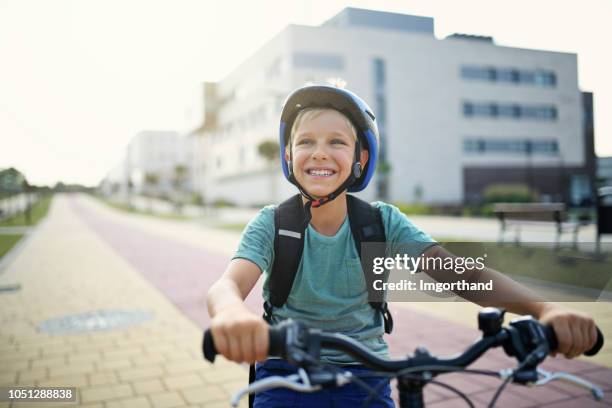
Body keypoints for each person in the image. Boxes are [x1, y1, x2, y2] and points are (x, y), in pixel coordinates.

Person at [207, 85, 598, 407]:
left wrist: (544, 308)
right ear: (290, 157)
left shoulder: (382, 222)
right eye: (306, 141)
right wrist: (230, 314)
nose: (320, 152)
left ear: (361, 157)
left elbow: (467, 276)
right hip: (285, 371)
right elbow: (228, 285)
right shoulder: (272, 222)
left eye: (337, 142)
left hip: (366, 375)